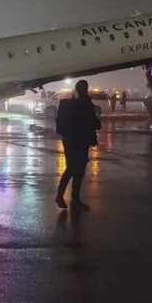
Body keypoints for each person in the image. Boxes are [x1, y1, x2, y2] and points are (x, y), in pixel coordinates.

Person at [55, 79, 102, 210]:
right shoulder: (86, 103)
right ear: (86, 89)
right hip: (81, 141)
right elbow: (94, 123)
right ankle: (73, 199)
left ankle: (62, 195)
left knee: (71, 168)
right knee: (78, 170)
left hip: (69, 140)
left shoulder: (68, 104)